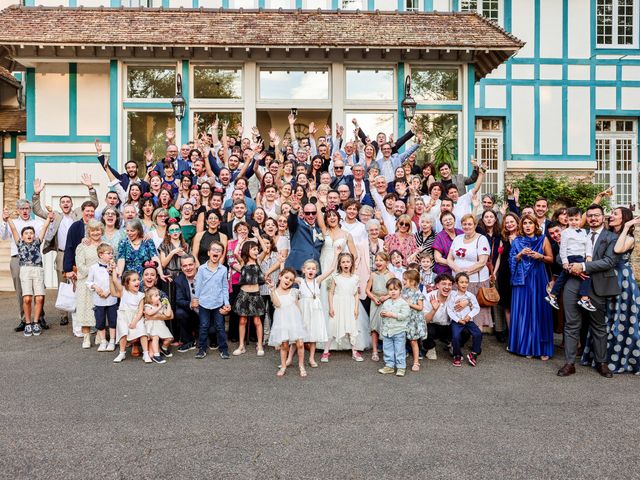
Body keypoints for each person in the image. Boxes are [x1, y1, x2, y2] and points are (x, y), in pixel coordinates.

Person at [557, 204, 620, 378]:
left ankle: (602, 363)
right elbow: (560, 255)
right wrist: (569, 266)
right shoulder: (577, 232)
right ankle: (569, 363)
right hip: (573, 282)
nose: (593, 218)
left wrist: (583, 266)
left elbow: (609, 262)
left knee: (598, 326)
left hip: (597, 285)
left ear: (603, 217)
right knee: (571, 324)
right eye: (590, 215)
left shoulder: (611, 237)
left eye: (596, 215)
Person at [31, 176, 98, 325]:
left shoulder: (78, 214)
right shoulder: (55, 215)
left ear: (72, 204)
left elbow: (93, 204)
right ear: (60, 205)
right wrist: (36, 194)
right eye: (63, 202)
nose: (66, 204)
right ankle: (64, 314)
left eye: (68, 201)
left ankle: (82, 310)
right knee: (63, 284)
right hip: (62, 254)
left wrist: (90, 188)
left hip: (80, 254)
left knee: (81, 282)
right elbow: (37, 210)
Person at [582, 207, 639, 375]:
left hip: (623, 281)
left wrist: (627, 227)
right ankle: (601, 357)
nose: (610, 216)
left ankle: (620, 357)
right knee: (606, 319)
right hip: (603, 279)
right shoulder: (605, 233)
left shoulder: (628, 237)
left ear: (624, 219)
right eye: (611, 213)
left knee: (622, 320)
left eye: (615, 214)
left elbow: (618, 250)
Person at [3, 206, 54, 337]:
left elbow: (43, 229)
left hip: (37, 270)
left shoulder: (37, 242)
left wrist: (49, 216)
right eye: (26, 233)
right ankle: (27, 322)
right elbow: (13, 229)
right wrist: (7, 218)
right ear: (22, 236)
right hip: (25, 271)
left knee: (40, 297)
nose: (29, 235)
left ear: (34, 235)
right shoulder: (19, 244)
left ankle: (36, 322)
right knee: (26, 298)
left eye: (31, 233)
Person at [509, 214, 554, 360]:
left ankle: (542, 348)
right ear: (521, 226)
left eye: (530, 223)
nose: (527, 226)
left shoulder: (543, 239)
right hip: (522, 280)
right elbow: (511, 261)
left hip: (538, 277)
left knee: (539, 310)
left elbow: (551, 259)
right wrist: (520, 254)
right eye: (525, 223)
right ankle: (526, 346)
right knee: (524, 311)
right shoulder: (517, 241)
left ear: (536, 225)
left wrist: (539, 256)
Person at [446, 214, 492, 329]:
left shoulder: (481, 239)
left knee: (476, 313)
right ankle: (459, 339)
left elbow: (482, 262)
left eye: (470, 224)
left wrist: (466, 273)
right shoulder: (457, 238)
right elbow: (449, 259)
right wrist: (458, 271)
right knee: (458, 309)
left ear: (475, 225)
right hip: (458, 281)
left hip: (476, 281)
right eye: (464, 224)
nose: (467, 226)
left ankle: (476, 339)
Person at [544, 207, 595, 312]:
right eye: (571, 220)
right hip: (571, 257)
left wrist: (589, 256)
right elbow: (562, 250)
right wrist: (565, 262)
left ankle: (552, 295)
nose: (574, 222)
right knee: (587, 276)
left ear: (581, 220)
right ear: (568, 220)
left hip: (581, 257)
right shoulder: (566, 233)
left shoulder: (585, 232)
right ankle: (584, 298)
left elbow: (588, 244)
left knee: (562, 277)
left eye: (576, 220)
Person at [192, 241, 231, 360]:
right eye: (214, 250)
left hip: (218, 303)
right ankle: (202, 349)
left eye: (219, 251)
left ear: (221, 255)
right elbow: (198, 285)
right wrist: (196, 299)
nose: (216, 252)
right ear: (209, 253)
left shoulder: (223, 269)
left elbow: (225, 287)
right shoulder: (202, 269)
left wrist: (227, 303)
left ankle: (223, 349)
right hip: (204, 302)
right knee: (204, 325)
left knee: (220, 326)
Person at [269, 268, 307, 378]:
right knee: (284, 345)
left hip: (294, 320)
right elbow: (277, 304)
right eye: (286, 278)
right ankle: (283, 366)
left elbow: (298, 306)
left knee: (299, 343)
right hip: (282, 321)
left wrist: (301, 321)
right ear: (280, 276)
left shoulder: (294, 291)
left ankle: (301, 365)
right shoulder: (274, 292)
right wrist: (272, 290)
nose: (288, 281)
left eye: (291, 280)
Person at [325, 252, 363, 362]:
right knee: (333, 325)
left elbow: (356, 294)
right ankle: (326, 350)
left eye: (348, 262)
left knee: (351, 326)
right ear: (340, 264)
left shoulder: (355, 278)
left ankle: (354, 351)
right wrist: (331, 307)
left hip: (350, 304)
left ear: (351, 264)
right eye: (343, 262)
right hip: (338, 304)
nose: (346, 264)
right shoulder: (335, 277)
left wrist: (356, 308)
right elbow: (330, 293)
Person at [232, 241, 267, 357]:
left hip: (255, 294)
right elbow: (235, 252)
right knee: (242, 320)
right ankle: (241, 346)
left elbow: (265, 250)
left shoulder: (258, 261)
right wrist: (241, 241)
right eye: (253, 249)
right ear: (247, 250)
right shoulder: (243, 262)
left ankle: (260, 345)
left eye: (257, 249)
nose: (256, 251)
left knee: (257, 321)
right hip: (244, 294)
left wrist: (258, 237)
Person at [74, 220, 105, 346]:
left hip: (101, 283)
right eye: (93, 230)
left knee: (100, 310)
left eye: (98, 230)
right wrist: (94, 273)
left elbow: (109, 261)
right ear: (88, 232)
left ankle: (99, 334)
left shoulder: (105, 246)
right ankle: (86, 337)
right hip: (86, 282)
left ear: (101, 231)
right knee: (85, 309)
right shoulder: (82, 246)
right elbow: (80, 265)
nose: (96, 233)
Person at [109, 270, 150, 364]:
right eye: (134, 280)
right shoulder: (123, 291)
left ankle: (146, 353)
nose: (137, 282)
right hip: (123, 316)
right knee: (123, 333)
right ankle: (121, 353)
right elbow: (115, 280)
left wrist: (135, 322)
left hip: (136, 317)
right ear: (126, 284)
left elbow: (140, 311)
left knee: (143, 332)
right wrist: (114, 269)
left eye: (138, 280)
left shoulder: (141, 295)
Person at [86, 243, 118, 352]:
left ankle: (112, 341)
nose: (111, 255)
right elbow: (88, 282)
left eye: (112, 253)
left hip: (111, 298)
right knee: (100, 321)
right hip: (98, 300)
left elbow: (117, 281)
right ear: (100, 255)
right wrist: (95, 286)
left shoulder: (115, 267)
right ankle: (103, 341)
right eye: (108, 253)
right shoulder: (93, 268)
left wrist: (108, 292)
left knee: (113, 320)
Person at [377, 278, 411, 377]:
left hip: (399, 331)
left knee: (399, 350)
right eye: (390, 289)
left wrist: (391, 314)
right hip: (387, 330)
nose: (393, 291)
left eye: (395, 289)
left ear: (400, 290)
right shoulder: (387, 302)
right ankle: (389, 366)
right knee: (387, 349)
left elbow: (404, 316)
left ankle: (401, 367)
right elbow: (383, 311)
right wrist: (382, 314)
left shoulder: (403, 303)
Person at [447, 272, 482, 367]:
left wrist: (469, 316)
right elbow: (449, 310)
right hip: (457, 321)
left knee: (478, 334)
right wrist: (458, 320)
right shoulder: (452, 295)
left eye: (466, 282)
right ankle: (457, 355)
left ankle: (473, 354)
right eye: (461, 282)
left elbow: (476, 308)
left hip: (468, 320)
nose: (464, 284)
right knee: (455, 337)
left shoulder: (470, 296)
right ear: (456, 283)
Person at [366, 252, 394, 362]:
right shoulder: (373, 274)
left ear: (387, 262)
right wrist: (373, 298)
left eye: (381, 260)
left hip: (386, 302)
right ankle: (374, 351)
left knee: (386, 326)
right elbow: (367, 290)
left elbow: (395, 290)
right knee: (374, 327)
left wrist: (386, 297)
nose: (378, 262)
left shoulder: (390, 275)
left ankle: (388, 351)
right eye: (376, 260)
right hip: (375, 301)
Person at [284, 201, 324, 273]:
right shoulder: (298, 225)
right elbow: (292, 221)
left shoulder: (319, 230)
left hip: (314, 271)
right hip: (296, 268)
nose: (311, 215)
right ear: (304, 214)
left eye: (313, 213)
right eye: (307, 213)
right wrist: (294, 210)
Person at [423, 273, 454, 360]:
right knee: (425, 329)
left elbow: (470, 298)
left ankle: (452, 344)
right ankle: (430, 348)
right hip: (433, 326)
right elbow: (425, 321)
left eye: (450, 284)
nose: (447, 287)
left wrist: (467, 302)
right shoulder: (429, 296)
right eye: (443, 284)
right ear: (437, 285)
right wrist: (434, 309)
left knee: (465, 330)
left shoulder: (455, 296)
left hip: (448, 326)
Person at [402, 269, 426, 372]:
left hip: (414, 320)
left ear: (412, 282)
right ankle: (400, 359)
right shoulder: (404, 291)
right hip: (404, 319)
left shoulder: (418, 293)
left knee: (413, 341)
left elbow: (420, 307)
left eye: (405, 280)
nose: (403, 281)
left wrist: (409, 304)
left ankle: (416, 362)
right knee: (401, 339)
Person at [174, 255, 199, 352]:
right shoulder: (179, 280)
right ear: (181, 268)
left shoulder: (204, 276)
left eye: (190, 265)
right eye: (184, 266)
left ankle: (208, 337)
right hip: (191, 312)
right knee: (180, 313)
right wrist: (190, 304)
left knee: (212, 332)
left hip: (205, 311)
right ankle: (188, 341)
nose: (188, 268)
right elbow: (179, 300)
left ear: (195, 264)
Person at [143, 287, 174, 364]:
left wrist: (168, 304)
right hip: (152, 326)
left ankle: (163, 348)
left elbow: (168, 314)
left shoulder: (160, 305)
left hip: (161, 325)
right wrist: (160, 307)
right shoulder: (147, 306)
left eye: (158, 295)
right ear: (150, 299)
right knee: (155, 338)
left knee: (170, 338)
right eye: (156, 295)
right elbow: (149, 313)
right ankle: (156, 355)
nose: (159, 297)